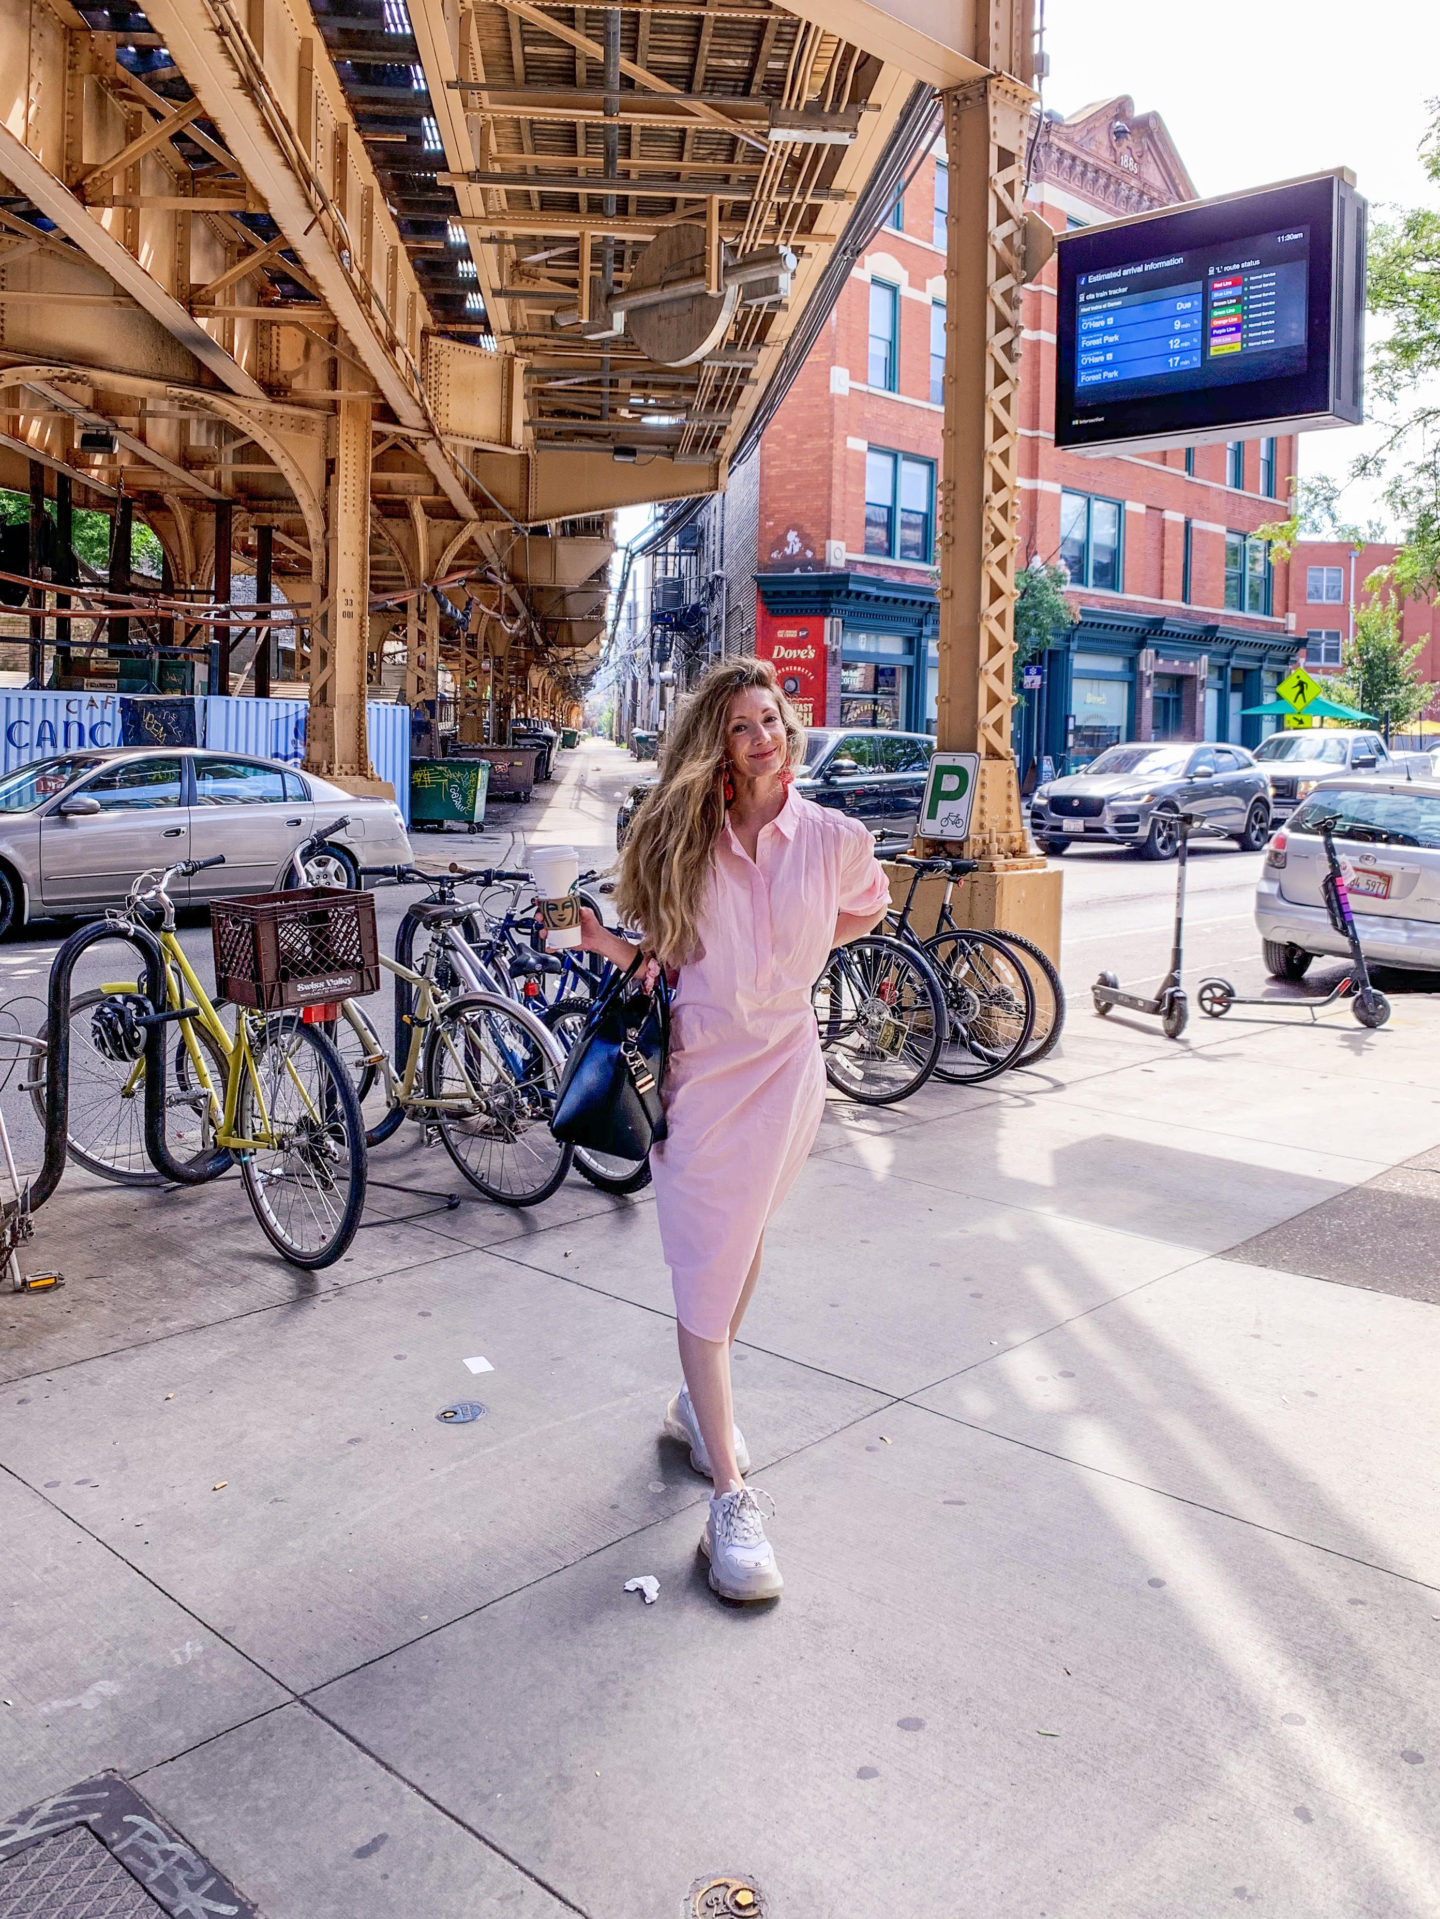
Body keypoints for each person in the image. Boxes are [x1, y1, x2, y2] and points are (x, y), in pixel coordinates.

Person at [578, 658, 890, 1602]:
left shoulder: (834, 837)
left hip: (788, 1070)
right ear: (717, 742)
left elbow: (862, 913)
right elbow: (664, 955)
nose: (764, 737)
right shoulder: (683, 838)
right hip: (704, 1075)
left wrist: (781, 972)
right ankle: (730, 1496)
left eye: (773, 720)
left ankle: (693, 1403)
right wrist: (599, 942)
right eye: (743, 725)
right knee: (710, 1267)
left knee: (740, 1248)